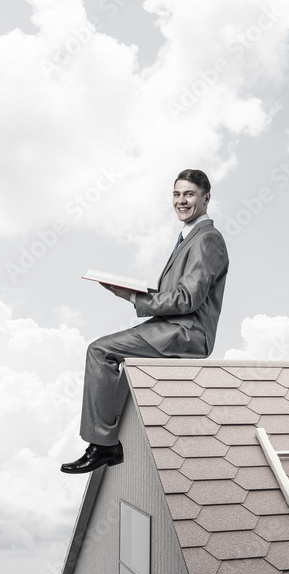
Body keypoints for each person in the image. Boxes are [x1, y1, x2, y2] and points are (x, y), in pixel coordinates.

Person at [60, 169, 229, 474]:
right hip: (170, 326)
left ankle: (105, 445)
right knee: (104, 350)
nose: (181, 201)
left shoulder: (208, 240)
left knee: (100, 352)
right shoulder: (188, 238)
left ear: (206, 198)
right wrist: (133, 290)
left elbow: (188, 300)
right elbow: (176, 293)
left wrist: (134, 299)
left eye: (189, 194)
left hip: (187, 333)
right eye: (176, 194)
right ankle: (106, 439)